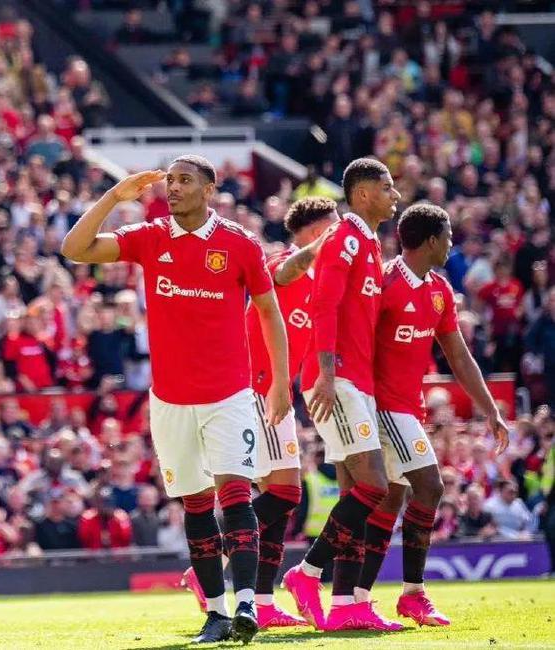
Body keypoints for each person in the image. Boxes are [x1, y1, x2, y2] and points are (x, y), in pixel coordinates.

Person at [62, 156, 291, 644]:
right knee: (195, 503)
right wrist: (114, 196)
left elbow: (269, 312)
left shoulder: (240, 243)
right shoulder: (150, 237)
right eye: (170, 180)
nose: (174, 187)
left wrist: (279, 383)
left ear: (209, 190)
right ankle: (216, 614)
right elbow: (74, 248)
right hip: (169, 400)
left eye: (185, 180)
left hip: (229, 394)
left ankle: (247, 604)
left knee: (236, 495)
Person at [182, 197, 339, 628]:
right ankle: (209, 564)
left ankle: (264, 602)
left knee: (282, 498)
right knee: (286, 493)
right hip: (256, 386)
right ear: (315, 232)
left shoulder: (324, 282)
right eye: (334, 227)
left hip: (276, 391)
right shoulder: (283, 262)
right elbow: (286, 274)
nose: (341, 233)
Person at [352, 203, 509, 627]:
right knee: (431, 486)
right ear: (432, 241)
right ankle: (413, 594)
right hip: (382, 406)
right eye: (449, 237)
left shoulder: (439, 289)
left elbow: (458, 354)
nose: (452, 245)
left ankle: (359, 600)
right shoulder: (383, 282)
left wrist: (489, 410)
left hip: (409, 408)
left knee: (391, 502)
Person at [282, 158, 400, 631]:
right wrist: (328, 377)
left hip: (358, 381)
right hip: (338, 379)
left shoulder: (369, 243)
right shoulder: (345, 237)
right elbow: (323, 304)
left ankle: (348, 605)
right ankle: (307, 572)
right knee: (375, 486)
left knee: (355, 493)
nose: (395, 195)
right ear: (364, 194)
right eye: (387, 187)